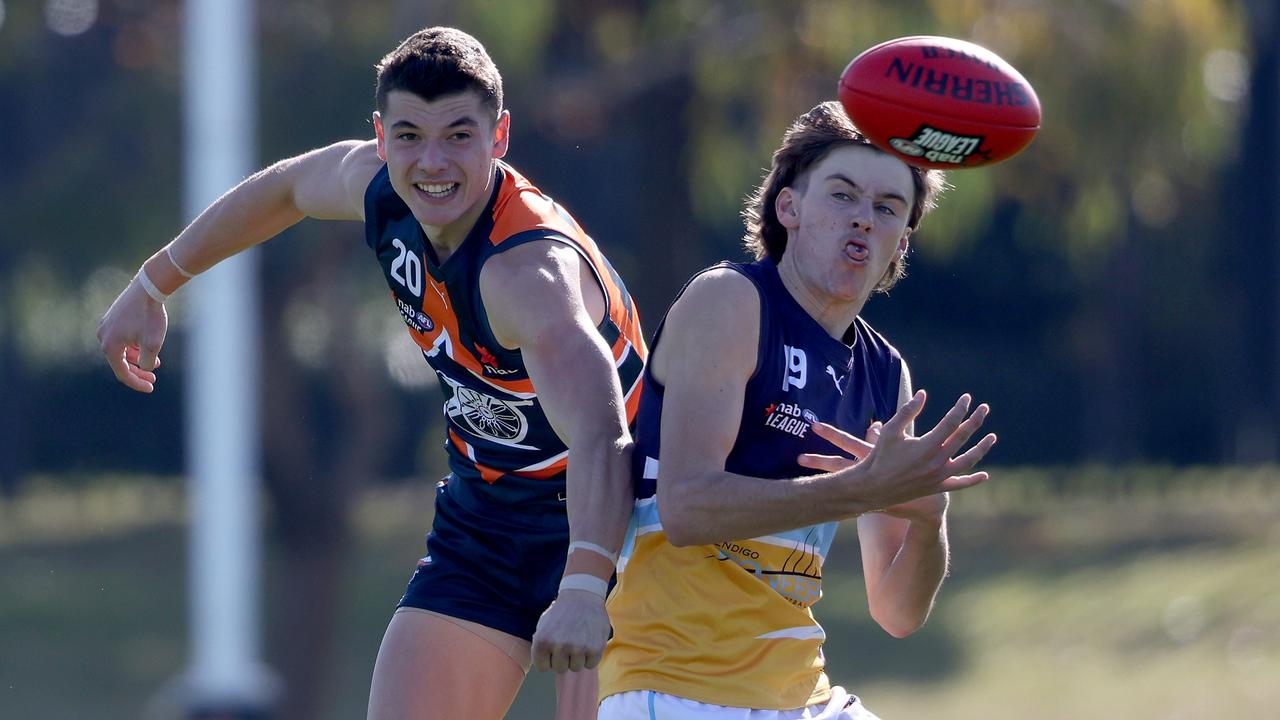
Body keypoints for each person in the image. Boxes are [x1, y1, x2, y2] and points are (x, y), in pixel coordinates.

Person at [96, 27, 646, 720]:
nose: (433, 161)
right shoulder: (379, 188)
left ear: (499, 137)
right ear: (381, 138)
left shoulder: (527, 273)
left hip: (619, 522)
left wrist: (584, 586)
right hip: (488, 520)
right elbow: (289, 188)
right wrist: (153, 283)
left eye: (459, 135)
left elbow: (604, 436)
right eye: (411, 135)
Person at [597, 101, 998, 719]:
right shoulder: (729, 303)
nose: (864, 219)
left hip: (803, 699)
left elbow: (896, 612)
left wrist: (927, 519)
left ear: (902, 241)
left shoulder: (885, 377)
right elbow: (686, 506)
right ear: (789, 209)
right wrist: (859, 489)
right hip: (677, 688)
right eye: (842, 196)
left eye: (887, 207)